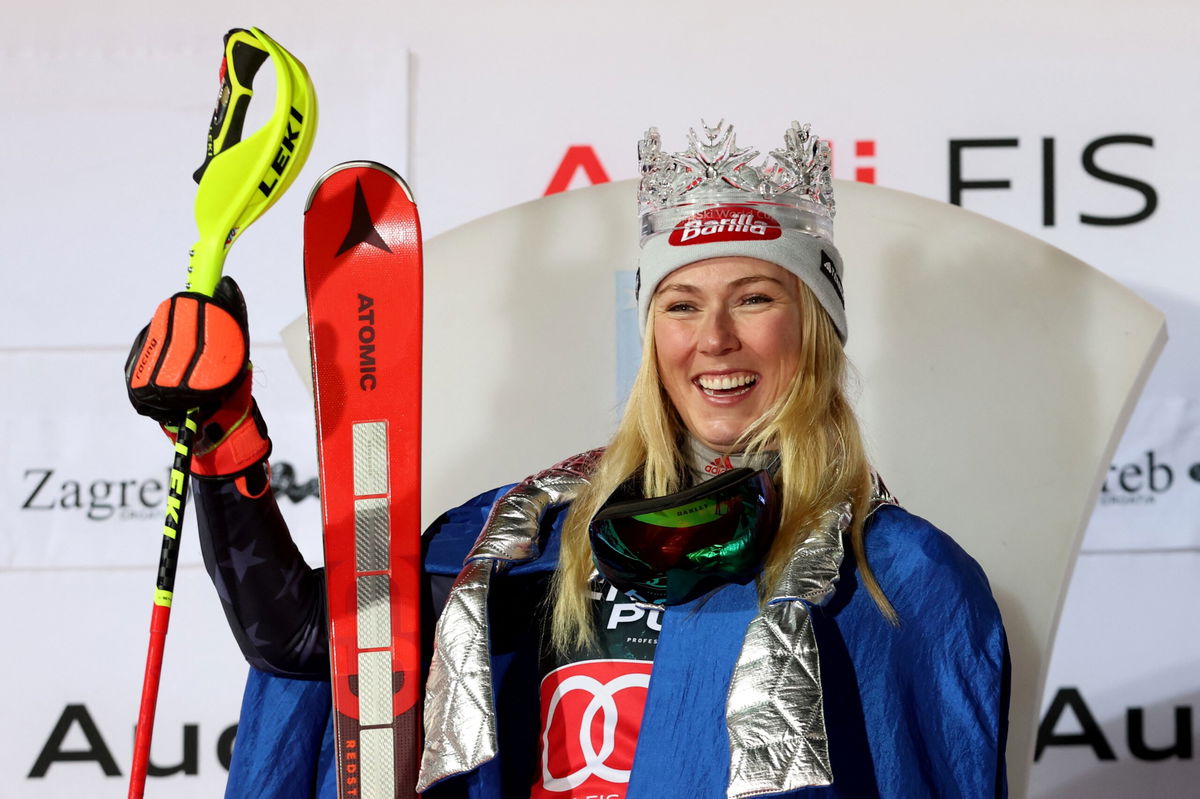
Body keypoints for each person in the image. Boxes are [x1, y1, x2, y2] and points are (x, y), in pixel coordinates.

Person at [126, 120, 1010, 799]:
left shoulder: (900, 574)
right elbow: (319, 641)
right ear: (648, 329)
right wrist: (224, 437)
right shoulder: (532, 533)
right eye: (682, 304)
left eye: (755, 296)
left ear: (815, 326)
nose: (715, 339)